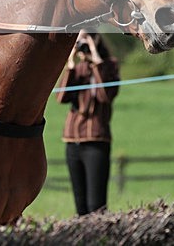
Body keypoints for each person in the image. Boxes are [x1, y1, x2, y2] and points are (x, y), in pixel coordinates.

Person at [56, 30, 120, 215]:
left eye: (87, 38)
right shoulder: (77, 69)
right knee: (80, 205)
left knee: (96, 205)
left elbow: (105, 95)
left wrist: (96, 58)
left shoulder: (110, 66)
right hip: (72, 141)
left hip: (96, 140)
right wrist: (70, 65)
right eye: (79, 40)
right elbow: (61, 98)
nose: (82, 43)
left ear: (97, 38)